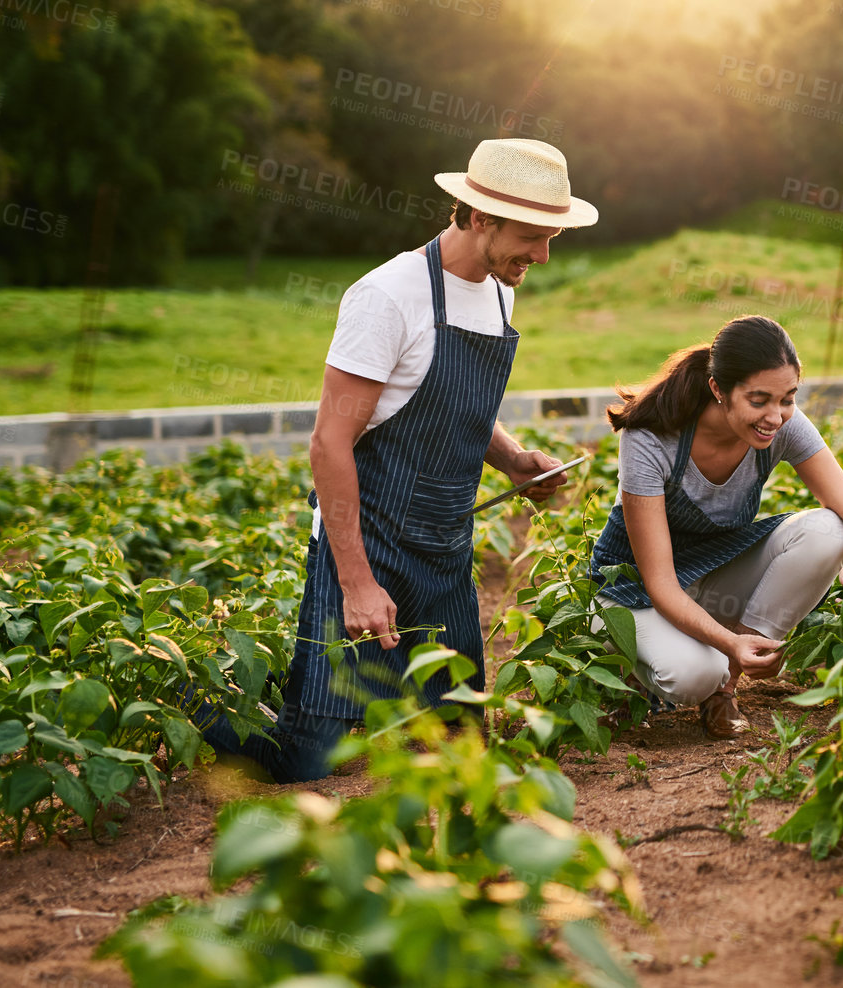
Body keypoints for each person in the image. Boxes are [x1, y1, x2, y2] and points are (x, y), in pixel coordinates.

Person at [201, 138, 598, 781]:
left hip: (444, 545)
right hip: (369, 542)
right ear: (479, 217)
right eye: (531, 236)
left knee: (463, 737)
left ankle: (291, 680)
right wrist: (357, 583)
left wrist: (512, 460)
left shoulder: (500, 291)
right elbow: (329, 443)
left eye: (551, 238)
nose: (543, 255)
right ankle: (194, 699)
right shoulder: (388, 296)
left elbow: (447, 398)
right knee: (305, 762)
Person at [588, 316, 843, 738]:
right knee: (693, 676)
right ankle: (627, 670)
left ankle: (726, 685)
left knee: (827, 531)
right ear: (718, 389)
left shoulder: (783, 425)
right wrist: (729, 641)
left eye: (787, 399)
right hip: (634, 592)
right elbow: (661, 584)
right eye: (759, 400)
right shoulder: (651, 439)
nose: (775, 417)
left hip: (710, 580)